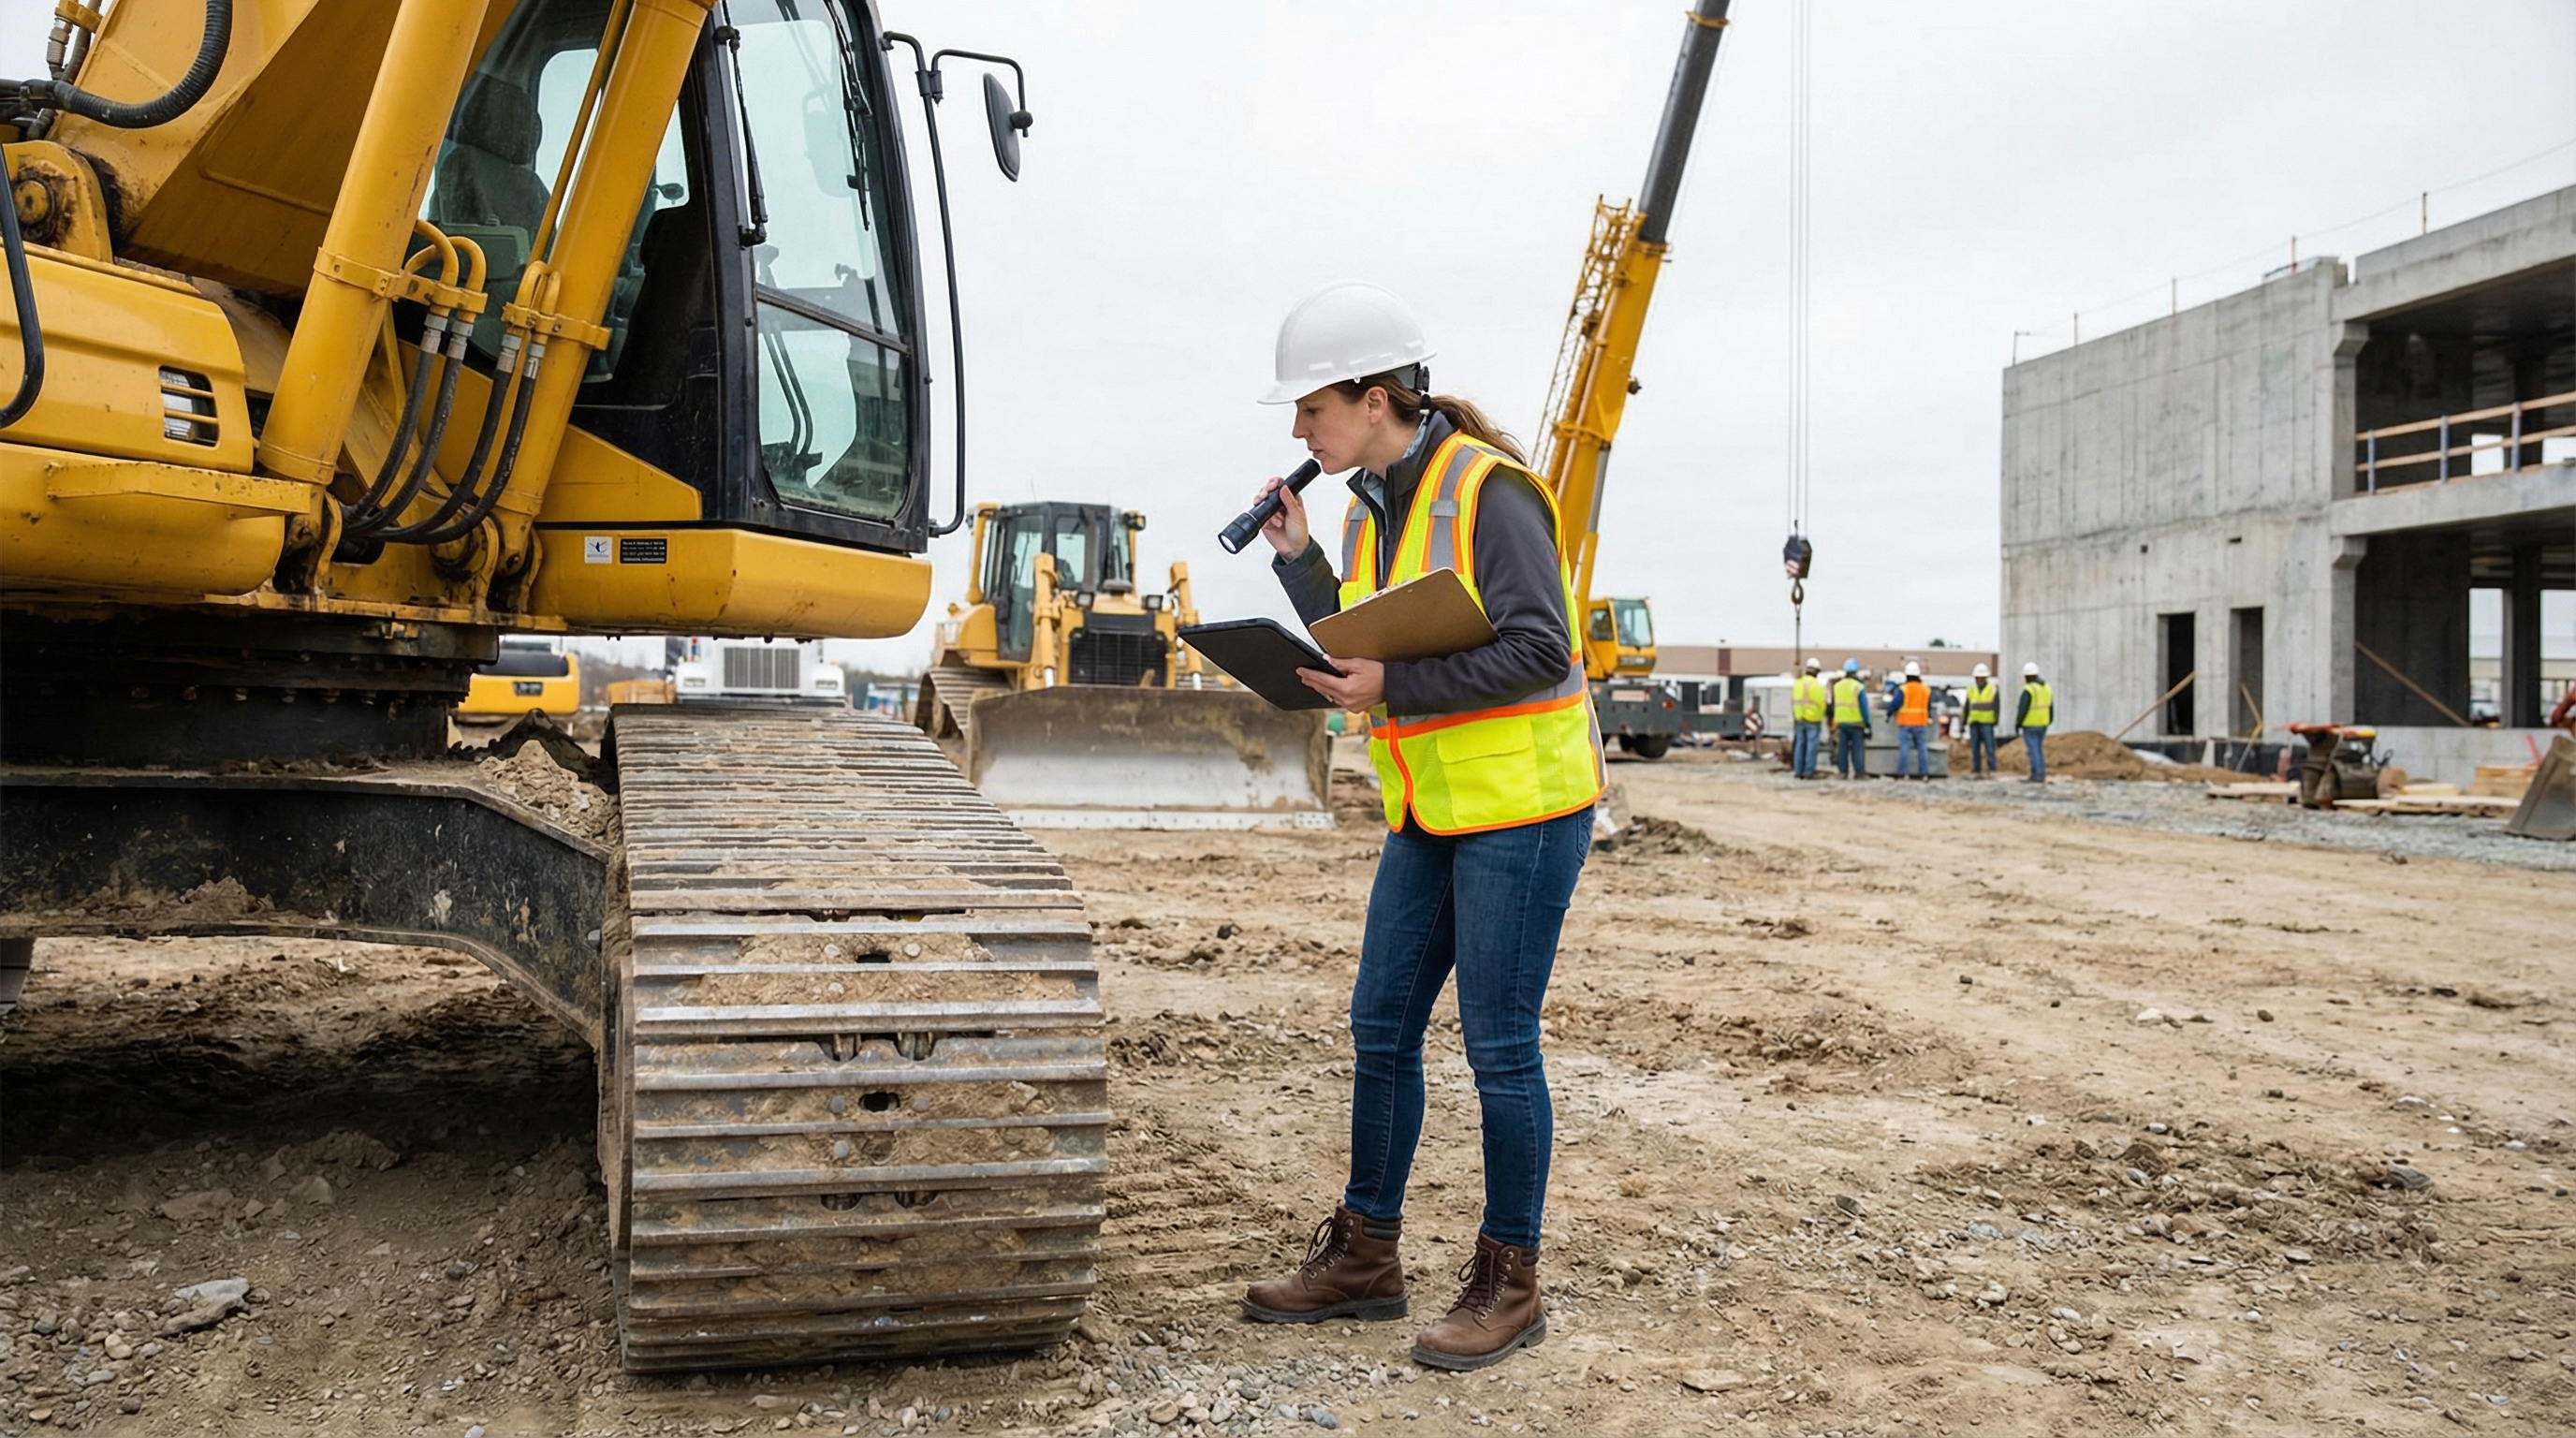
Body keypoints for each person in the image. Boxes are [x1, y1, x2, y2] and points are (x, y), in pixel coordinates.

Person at [1242, 282, 1601, 1372]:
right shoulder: (1373, 504)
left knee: (1498, 1048)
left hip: (1523, 811)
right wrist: (1301, 564)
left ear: (1378, 397)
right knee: (1380, 1029)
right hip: (1430, 807)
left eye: (1312, 409)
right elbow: (1371, 645)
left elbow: (1539, 648)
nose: (1300, 431)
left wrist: (1391, 682)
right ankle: (1365, 1257)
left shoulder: (1490, 493)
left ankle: (1510, 1280)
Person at [1892, 660, 1934, 780]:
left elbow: (1895, 704)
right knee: (1922, 748)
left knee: (1905, 748)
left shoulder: (1903, 689)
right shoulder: (1926, 690)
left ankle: (1903, 773)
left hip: (1905, 722)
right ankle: (1924, 774)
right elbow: (1928, 706)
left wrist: (1889, 713)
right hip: (1920, 722)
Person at [1829, 658, 1870, 779]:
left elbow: (1833, 705)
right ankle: (1859, 772)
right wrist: (1868, 723)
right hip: (1857, 723)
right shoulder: (1858, 687)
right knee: (1857, 749)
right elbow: (1864, 708)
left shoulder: (1837, 686)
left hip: (1841, 722)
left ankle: (1843, 772)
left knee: (1842, 749)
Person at [1789, 657, 1827, 780]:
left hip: (1799, 718)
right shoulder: (1818, 686)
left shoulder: (1797, 684)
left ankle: (1798, 771)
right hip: (1813, 720)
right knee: (1812, 746)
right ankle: (1808, 772)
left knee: (1800, 745)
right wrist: (1821, 716)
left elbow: (1794, 701)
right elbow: (1822, 705)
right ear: (1817, 671)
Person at [2016, 660, 2053, 784]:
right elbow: (2050, 705)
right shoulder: (2046, 687)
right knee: (2038, 749)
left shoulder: (2029, 689)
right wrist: (2050, 719)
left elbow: (2023, 708)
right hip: (2043, 723)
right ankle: (2039, 773)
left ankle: (2037, 775)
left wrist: (2018, 722)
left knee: (2033, 750)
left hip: (2030, 724)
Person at [1963, 662, 2000, 778]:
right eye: (1978, 677)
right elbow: (1967, 706)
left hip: (1987, 722)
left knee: (1990, 748)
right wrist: (1963, 721)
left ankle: (1992, 769)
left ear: (1986, 677)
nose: (1980, 679)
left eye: (1982, 677)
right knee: (1975, 748)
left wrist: (1996, 720)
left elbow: (1996, 706)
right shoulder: (1971, 689)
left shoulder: (1992, 689)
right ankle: (1976, 770)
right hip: (1974, 722)